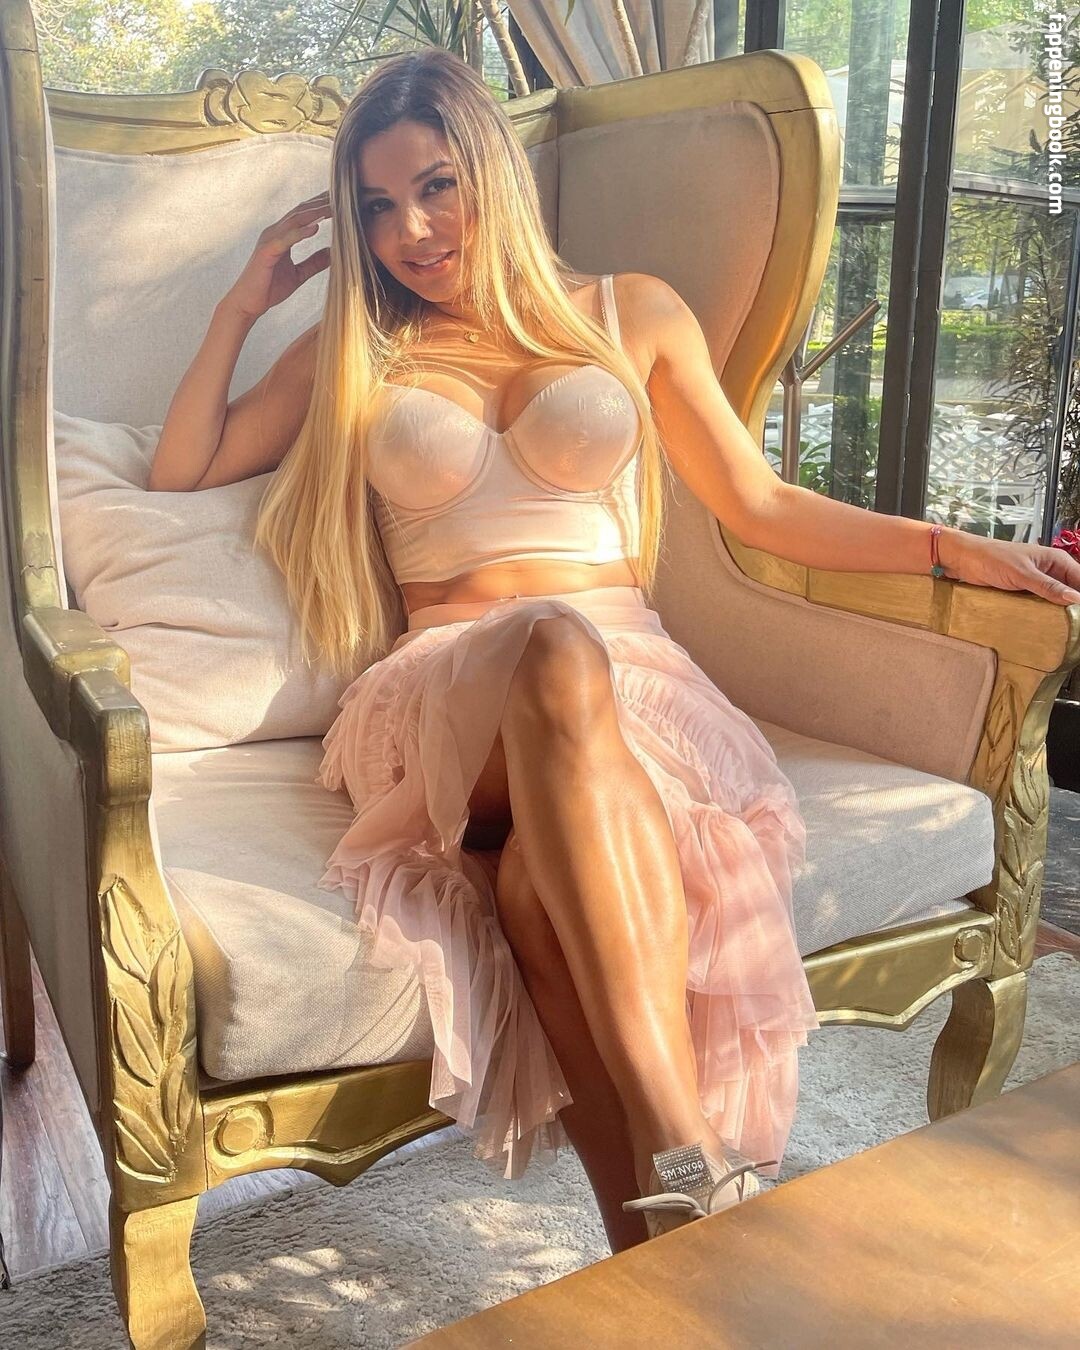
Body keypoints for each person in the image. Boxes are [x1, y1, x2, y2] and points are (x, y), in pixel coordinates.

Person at [149, 48, 1080, 1254]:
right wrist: (240, 306)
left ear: (491, 172)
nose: (409, 231)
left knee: (538, 890)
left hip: (633, 684)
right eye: (376, 206)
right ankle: (691, 1144)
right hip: (445, 694)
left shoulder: (632, 311)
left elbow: (761, 505)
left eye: (435, 187)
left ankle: (657, 1252)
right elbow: (185, 469)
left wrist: (951, 546)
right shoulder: (357, 343)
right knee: (548, 642)